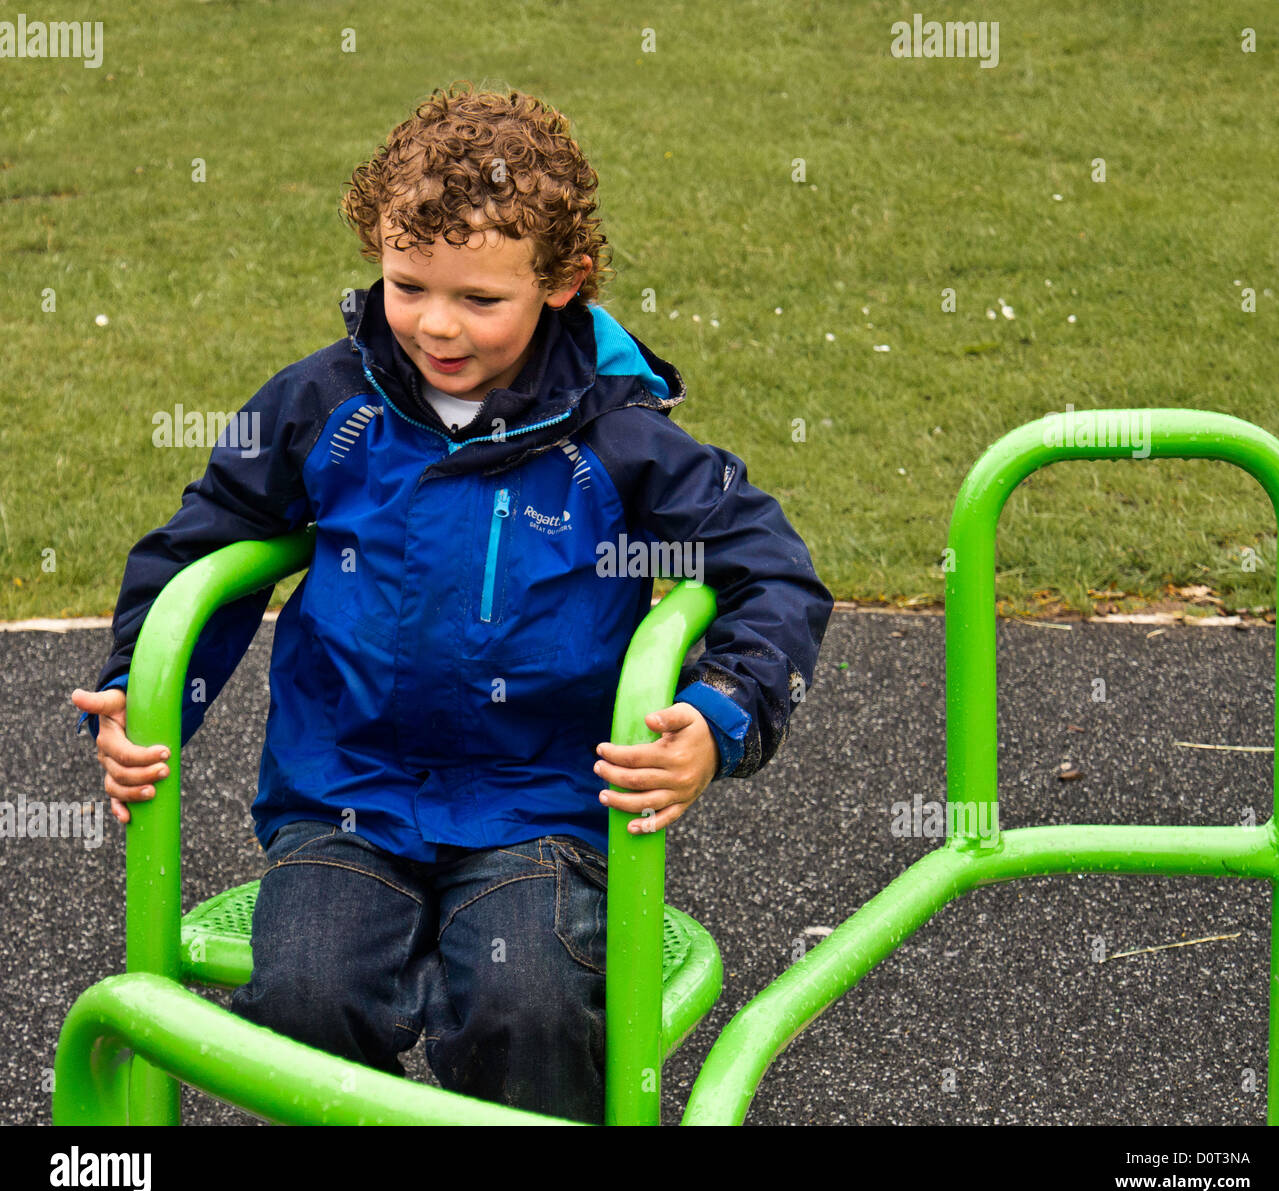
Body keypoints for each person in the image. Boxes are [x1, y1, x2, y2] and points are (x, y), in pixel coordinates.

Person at [69, 81, 833, 1123]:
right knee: (301, 992)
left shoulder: (617, 437)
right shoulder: (323, 404)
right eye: (406, 285)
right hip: (348, 794)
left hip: (540, 806)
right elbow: (209, 536)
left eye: (480, 300)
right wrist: (138, 691)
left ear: (565, 282)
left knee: (528, 1006)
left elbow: (770, 566)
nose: (436, 324)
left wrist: (717, 713)